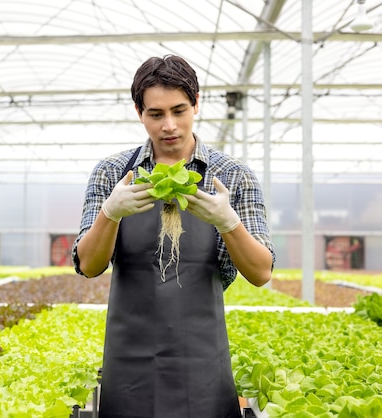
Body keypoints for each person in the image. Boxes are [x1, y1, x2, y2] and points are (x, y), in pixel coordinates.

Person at [71, 54, 275, 418]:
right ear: (139, 112)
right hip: (129, 358)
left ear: (196, 104)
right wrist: (109, 213)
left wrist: (229, 222)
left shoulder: (232, 176)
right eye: (156, 114)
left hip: (202, 359)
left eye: (179, 110)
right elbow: (89, 265)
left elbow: (261, 273)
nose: (169, 125)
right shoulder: (114, 173)